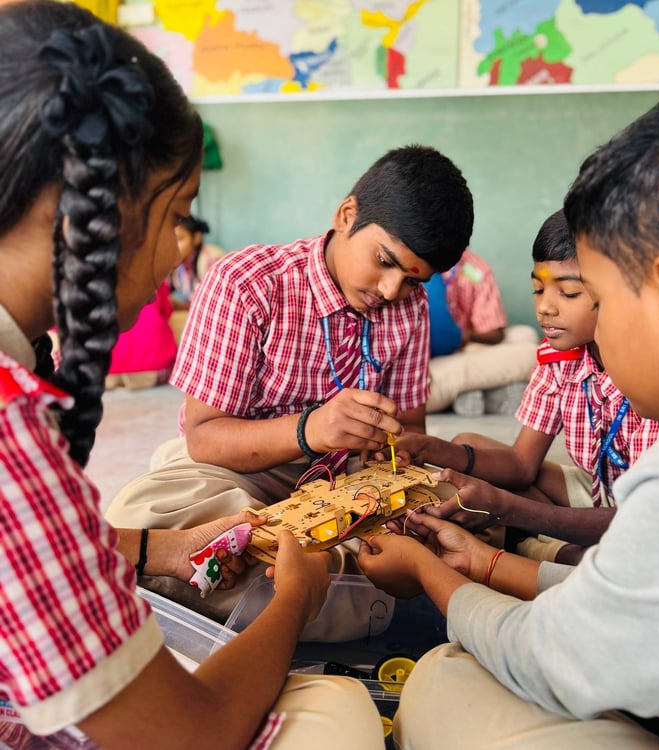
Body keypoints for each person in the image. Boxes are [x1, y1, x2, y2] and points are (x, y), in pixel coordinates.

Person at [0, 2, 384, 748]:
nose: (183, 249)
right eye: (176, 214)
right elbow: (189, 733)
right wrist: (295, 601)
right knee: (338, 715)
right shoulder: (14, 432)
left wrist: (164, 549)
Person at [359, 85, 659, 750]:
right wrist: (485, 559)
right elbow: (645, 598)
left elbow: (557, 660)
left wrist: (433, 573)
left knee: (449, 679)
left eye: (598, 297)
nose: (560, 312)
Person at [104, 144, 474, 543]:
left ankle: (297, 555)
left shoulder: (411, 307)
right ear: (346, 215)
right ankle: (325, 555)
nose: (390, 290)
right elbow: (203, 438)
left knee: (460, 507)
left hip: (349, 476)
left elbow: (410, 427)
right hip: (236, 472)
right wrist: (311, 429)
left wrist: (393, 453)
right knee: (145, 514)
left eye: (413, 280)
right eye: (384, 261)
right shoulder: (246, 283)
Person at [395, 209, 659, 564]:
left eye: (568, 293)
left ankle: (547, 551)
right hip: (602, 491)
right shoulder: (559, 359)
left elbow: (647, 519)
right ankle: (556, 551)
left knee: (505, 507)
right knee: (469, 446)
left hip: (649, 516)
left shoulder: (657, 381)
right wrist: (431, 448)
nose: (545, 307)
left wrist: (509, 509)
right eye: (538, 289)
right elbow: (521, 464)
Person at [425, 247, 539, 416]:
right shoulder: (421, 266)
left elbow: (493, 333)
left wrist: (464, 337)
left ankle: (472, 391)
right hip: (418, 384)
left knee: (525, 335)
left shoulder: (472, 267)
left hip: (444, 354)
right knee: (533, 355)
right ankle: (481, 392)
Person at [105, 279, 178, 389]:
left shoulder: (101, 278)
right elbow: (167, 311)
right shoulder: (154, 275)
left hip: (108, 369)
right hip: (152, 367)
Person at [168, 213, 225, 341]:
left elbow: (216, 310)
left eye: (179, 239)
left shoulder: (211, 261)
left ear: (197, 238)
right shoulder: (178, 263)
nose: (173, 245)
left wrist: (181, 306)